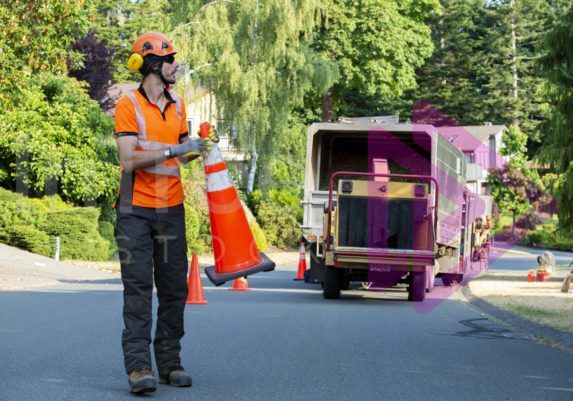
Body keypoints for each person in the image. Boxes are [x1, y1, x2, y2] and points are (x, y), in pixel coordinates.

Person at [113, 32, 218, 394]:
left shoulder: (178, 104)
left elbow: (182, 153)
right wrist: (177, 149)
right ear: (153, 65)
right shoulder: (128, 105)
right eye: (171, 59)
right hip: (134, 209)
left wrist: (198, 148)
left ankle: (169, 363)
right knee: (139, 288)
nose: (177, 65)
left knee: (174, 289)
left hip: (170, 208)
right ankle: (139, 367)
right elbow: (128, 159)